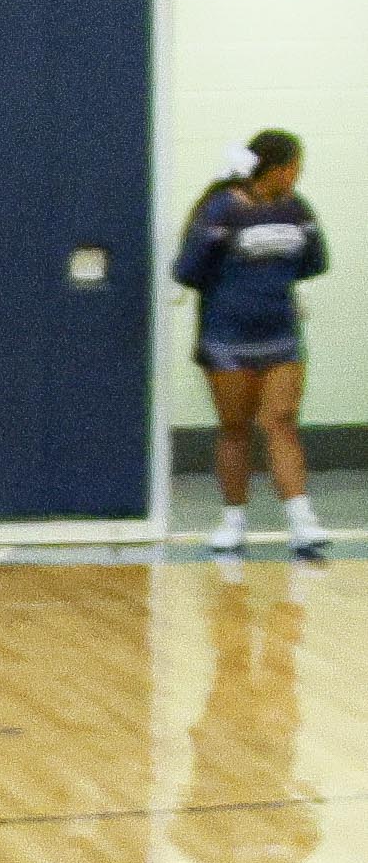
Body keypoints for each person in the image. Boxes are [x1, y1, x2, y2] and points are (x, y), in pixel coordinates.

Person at [171, 131, 323, 562]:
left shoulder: (297, 209)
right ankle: (233, 519)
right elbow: (188, 268)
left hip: (281, 334)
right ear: (279, 167)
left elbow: (315, 260)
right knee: (236, 427)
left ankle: (302, 520)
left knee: (281, 421)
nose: (298, 174)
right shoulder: (221, 208)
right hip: (227, 337)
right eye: (295, 165)